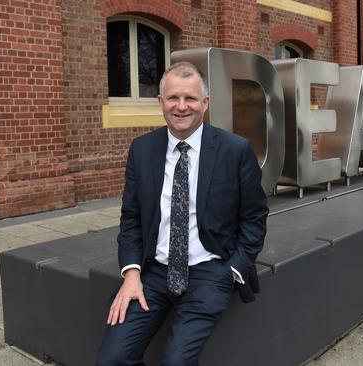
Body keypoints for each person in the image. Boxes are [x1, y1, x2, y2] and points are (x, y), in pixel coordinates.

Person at [96, 62, 268, 365]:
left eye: (190, 98)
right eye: (173, 98)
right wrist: (132, 273)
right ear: (161, 102)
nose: (181, 106)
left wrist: (233, 270)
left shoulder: (235, 150)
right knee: (112, 358)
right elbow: (132, 218)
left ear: (205, 103)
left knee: (177, 362)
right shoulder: (142, 149)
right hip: (152, 273)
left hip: (209, 270)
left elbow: (254, 217)